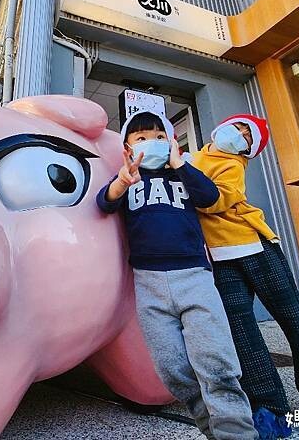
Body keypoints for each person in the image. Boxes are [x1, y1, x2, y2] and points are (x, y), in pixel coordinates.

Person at [96, 109, 257, 440]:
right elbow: (104, 203)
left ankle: (237, 432)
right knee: (171, 368)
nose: (152, 142)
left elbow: (210, 197)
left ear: (171, 142)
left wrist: (179, 163)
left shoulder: (184, 173)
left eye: (160, 137)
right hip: (149, 284)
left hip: (194, 277)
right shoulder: (127, 179)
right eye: (142, 138)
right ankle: (212, 427)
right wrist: (122, 180)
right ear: (128, 148)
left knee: (216, 362)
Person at [193, 114, 299, 440]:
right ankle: (269, 409)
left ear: (248, 150)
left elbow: (213, 202)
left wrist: (181, 169)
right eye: (237, 127)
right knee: (243, 334)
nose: (238, 135)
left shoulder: (232, 164)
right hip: (220, 258)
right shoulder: (194, 159)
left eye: (246, 137)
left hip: (255, 247)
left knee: (296, 324)